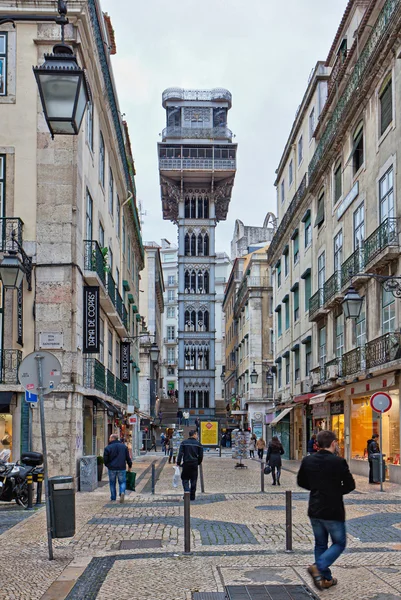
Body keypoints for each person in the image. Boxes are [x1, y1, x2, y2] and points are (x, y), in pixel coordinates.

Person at [297, 430, 355, 590]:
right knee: (339, 543)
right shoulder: (339, 462)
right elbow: (351, 485)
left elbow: (301, 481)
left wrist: (316, 488)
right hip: (333, 509)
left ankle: (325, 579)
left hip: (315, 507)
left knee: (320, 544)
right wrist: (335, 491)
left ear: (317, 444)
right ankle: (319, 566)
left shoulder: (308, 461)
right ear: (333, 443)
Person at [103, 433, 132, 504]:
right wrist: (129, 465)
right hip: (121, 467)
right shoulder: (124, 447)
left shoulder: (108, 448)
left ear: (112, 438)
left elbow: (105, 459)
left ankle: (113, 497)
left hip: (112, 468)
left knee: (112, 483)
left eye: (110, 438)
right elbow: (128, 458)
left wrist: (108, 465)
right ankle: (122, 492)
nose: (109, 439)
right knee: (122, 482)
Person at [177, 430, 204, 501]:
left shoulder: (184, 443)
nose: (197, 436)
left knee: (185, 479)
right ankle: (192, 496)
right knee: (193, 480)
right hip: (194, 464)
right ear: (194, 435)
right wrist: (198, 462)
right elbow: (201, 456)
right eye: (197, 435)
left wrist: (178, 463)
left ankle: (186, 492)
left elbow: (180, 454)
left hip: (186, 463)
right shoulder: (198, 444)